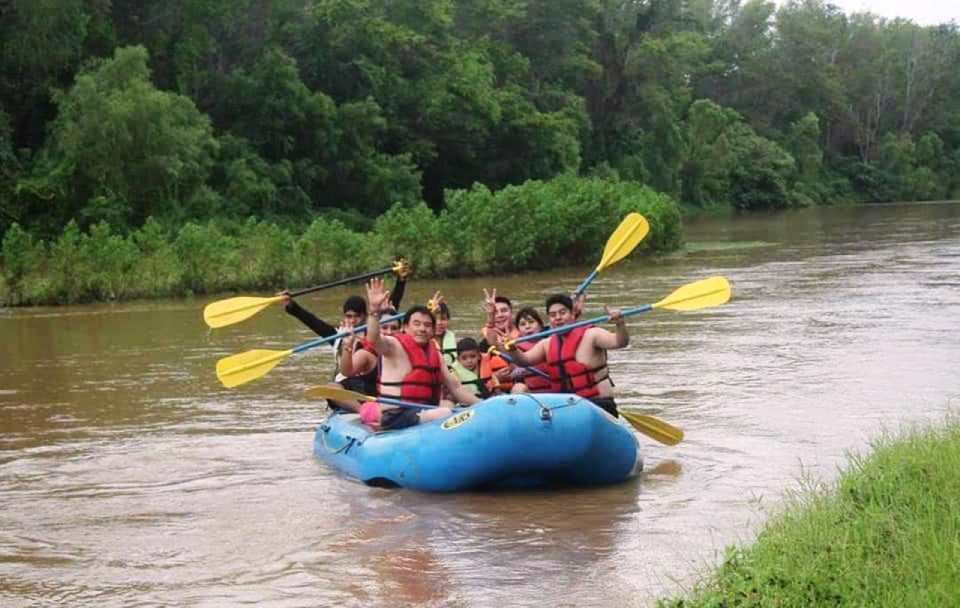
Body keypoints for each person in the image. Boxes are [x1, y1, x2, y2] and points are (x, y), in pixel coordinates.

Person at [365, 278, 481, 430]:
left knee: (452, 409)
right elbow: (373, 339)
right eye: (417, 324)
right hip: (396, 415)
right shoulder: (394, 345)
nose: (422, 329)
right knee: (445, 412)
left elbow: (456, 388)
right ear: (405, 327)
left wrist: (484, 406)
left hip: (423, 412)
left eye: (427, 325)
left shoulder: (434, 353)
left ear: (432, 331)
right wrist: (374, 311)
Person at [499, 294, 629, 417]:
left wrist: (620, 324)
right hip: (565, 408)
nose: (558, 318)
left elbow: (620, 342)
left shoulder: (592, 334)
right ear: (549, 319)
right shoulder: (547, 343)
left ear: (572, 314)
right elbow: (524, 360)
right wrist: (512, 348)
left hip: (598, 405)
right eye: (553, 315)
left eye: (562, 313)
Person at [478, 289, 518, 393]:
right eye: (495, 312)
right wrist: (495, 378)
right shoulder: (484, 345)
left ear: (511, 313)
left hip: (521, 388)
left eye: (504, 310)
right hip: (497, 393)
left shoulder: (525, 335)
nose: (500, 315)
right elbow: (475, 374)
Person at [508, 307, 553, 394]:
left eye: (531, 322)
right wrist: (517, 370)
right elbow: (513, 372)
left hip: (557, 392)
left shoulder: (551, 338)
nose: (527, 327)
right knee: (518, 388)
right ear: (518, 330)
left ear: (540, 325)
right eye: (522, 324)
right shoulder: (515, 347)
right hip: (532, 395)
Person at [428, 292, 458, 368]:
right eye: (435, 319)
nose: (439, 323)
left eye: (443, 319)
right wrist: (431, 314)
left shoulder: (451, 336)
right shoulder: (422, 337)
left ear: (448, 320)